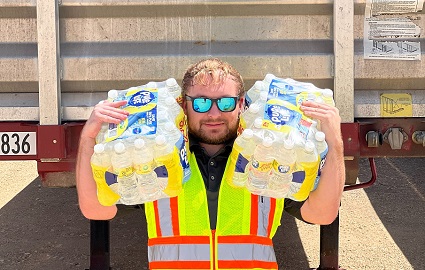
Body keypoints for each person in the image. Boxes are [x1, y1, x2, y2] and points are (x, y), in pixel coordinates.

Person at [76, 58, 345, 269]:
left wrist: (335, 143)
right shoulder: (160, 156)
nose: (214, 114)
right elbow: (96, 209)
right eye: (202, 103)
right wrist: (88, 139)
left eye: (226, 102)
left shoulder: (264, 154)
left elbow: (321, 215)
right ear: (183, 105)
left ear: (241, 104)